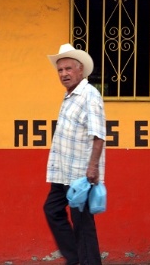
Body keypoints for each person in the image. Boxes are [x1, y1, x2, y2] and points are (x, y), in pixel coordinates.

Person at [43, 43, 106, 265]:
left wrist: (93, 167)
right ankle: (75, 258)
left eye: (68, 69)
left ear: (80, 70)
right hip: (63, 172)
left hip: (80, 173)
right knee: (52, 210)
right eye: (60, 70)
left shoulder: (89, 94)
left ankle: (85, 261)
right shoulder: (70, 96)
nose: (64, 74)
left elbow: (98, 134)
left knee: (83, 224)